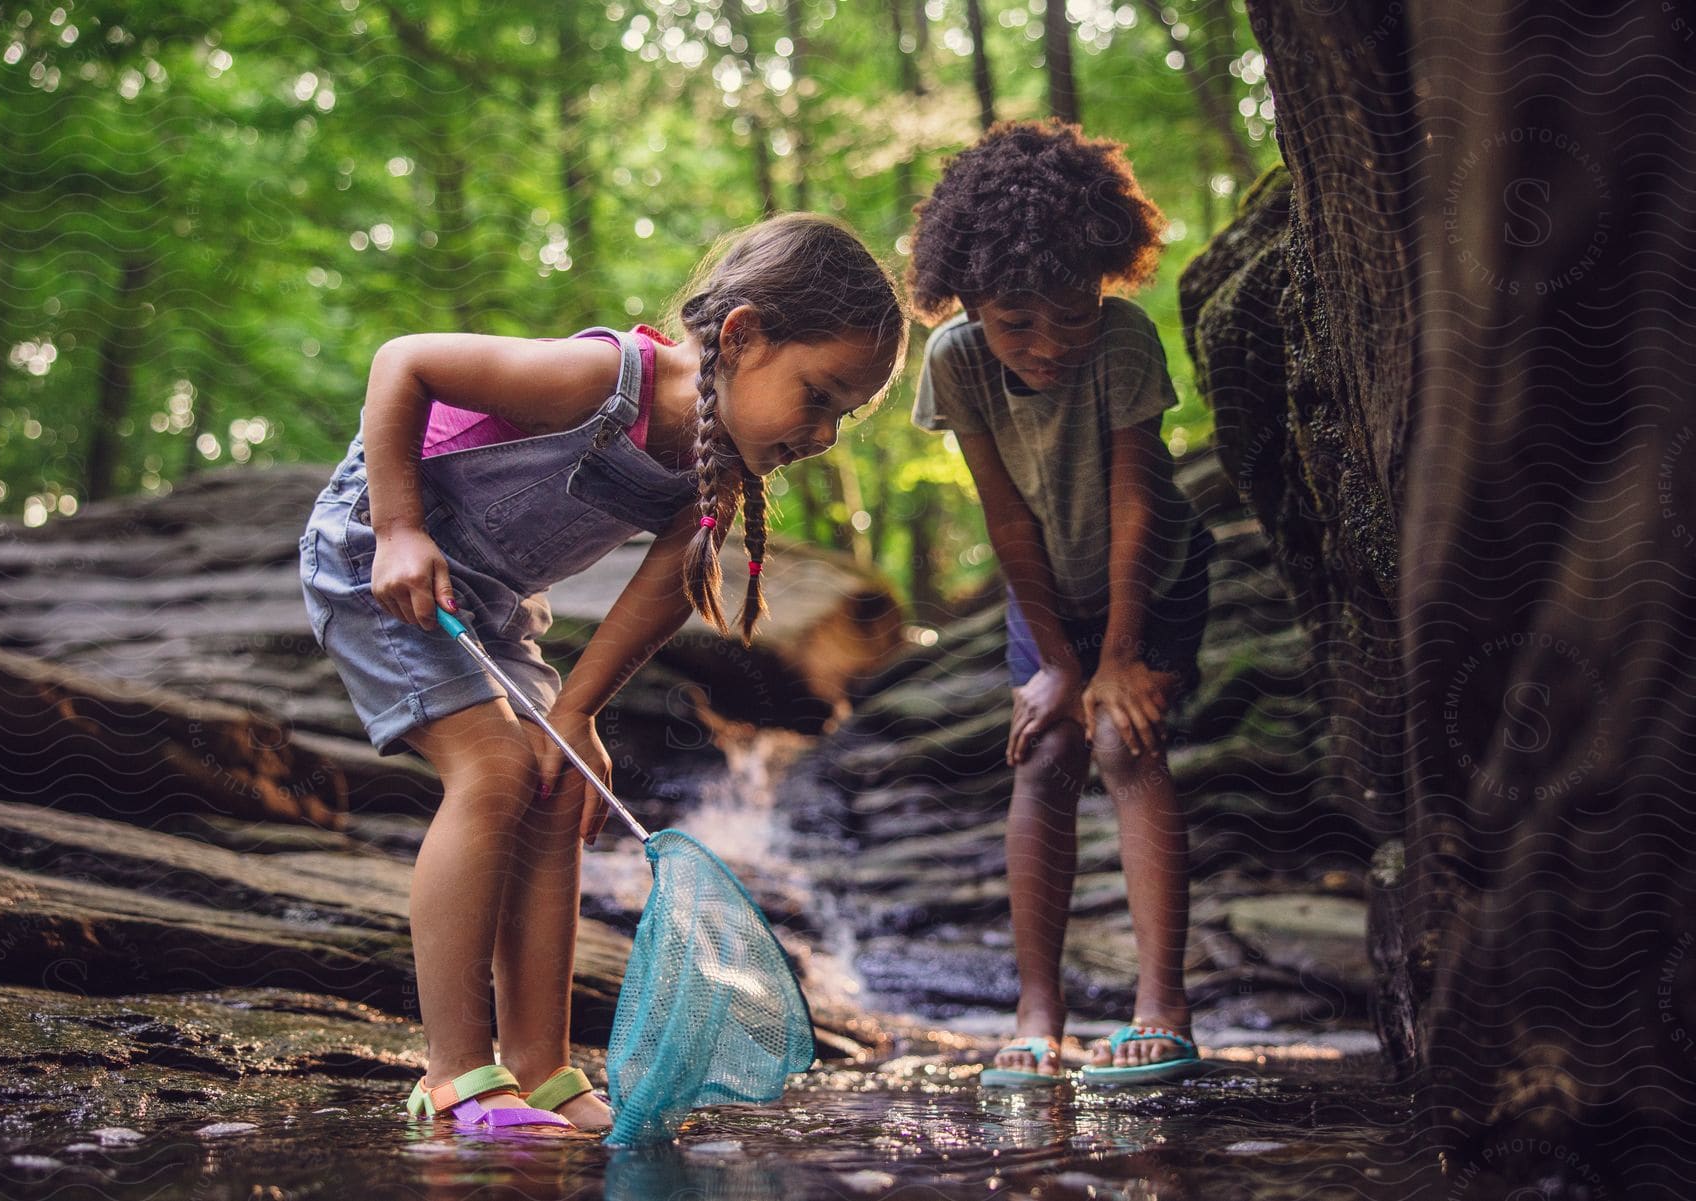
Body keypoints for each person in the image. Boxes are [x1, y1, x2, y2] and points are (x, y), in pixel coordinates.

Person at [298, 213, 905, 1130]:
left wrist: (576, 716)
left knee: (554, 785)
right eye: (818, 395)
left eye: (842, 414)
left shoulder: (717, 467)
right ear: (741, 336)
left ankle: (541, 1068)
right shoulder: (606, 381)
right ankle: (458, 1072)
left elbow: (663, 592)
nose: (823, 433)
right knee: (495, 769)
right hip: (378, 563)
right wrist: (398, 528)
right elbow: (403, 362)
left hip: (490, 604)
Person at [905, 120, 1214, 1087]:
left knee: (1123, 741)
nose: (1050, 343)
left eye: (1072, 314)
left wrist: (1116, 658)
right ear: (970, 303)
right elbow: (1004, 517)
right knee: (1044, 752)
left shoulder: (1122, 339)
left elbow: (1135, 499)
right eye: (1017, 321)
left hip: (1151, 575)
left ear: (1102, 284)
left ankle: (1162, 1004)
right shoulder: (954, 361)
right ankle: (1039, 1011)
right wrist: (1057, 664)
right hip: (1043, 593)